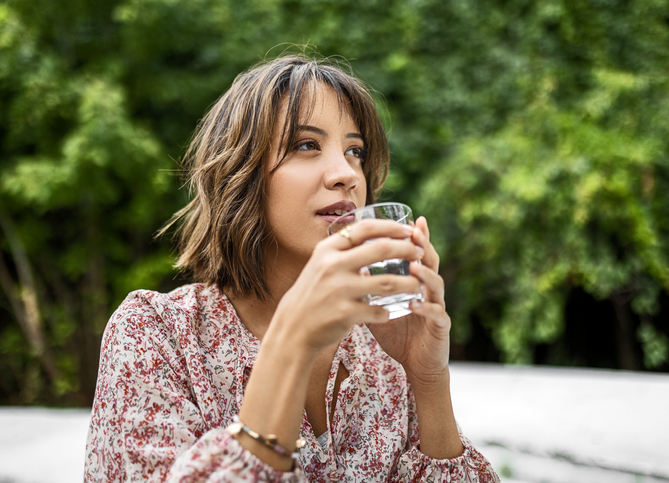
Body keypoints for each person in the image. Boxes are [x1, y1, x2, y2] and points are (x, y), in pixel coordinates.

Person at [84, 53, 500, 482]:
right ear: (241, 172)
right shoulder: (155, 335)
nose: (346, 174)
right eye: (306, 145)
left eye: (355, 151)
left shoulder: (385, 351)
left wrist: (428, 379)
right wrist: (293, 342)